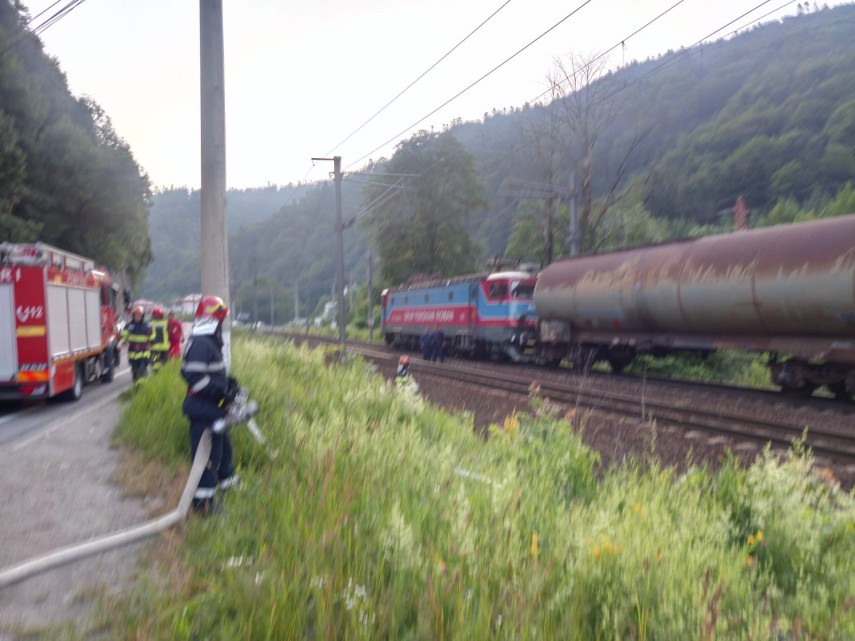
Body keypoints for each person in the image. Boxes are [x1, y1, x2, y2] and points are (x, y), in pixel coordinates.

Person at [180, 295, 239, 516]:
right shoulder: (201, 343)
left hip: (211, 407)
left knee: (223, 452)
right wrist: (218, 391)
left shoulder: (207, 342)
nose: (221, 324)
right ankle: (203, 508)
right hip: (202, 408)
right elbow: (193, 375)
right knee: (207, 459)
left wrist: (228, 385)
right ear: (212, 319)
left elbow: (212, 375)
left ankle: (229, 491)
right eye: (220, 319)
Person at [121, 305, 153, 382]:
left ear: (142, 316)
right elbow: (124, 336)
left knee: (142, 371)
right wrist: (123, 342)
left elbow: (152, 337)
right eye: (136, 315)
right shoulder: (128, 326)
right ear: (133, 315)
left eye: (139, 315)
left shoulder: (147, 326)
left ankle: (144, 387)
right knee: (135, 373)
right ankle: (136, 387)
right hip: (132, 354)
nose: (137, 317)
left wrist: (151, 343)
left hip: (144, 354)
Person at [149, 306, 170, 372]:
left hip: (155, 347)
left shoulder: (150, 324)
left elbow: (148, 334)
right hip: (164, 347)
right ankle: (164, 371)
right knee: (164, 360)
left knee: (155, 359)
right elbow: (169, 331)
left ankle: (156, 371)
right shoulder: (166, 323)